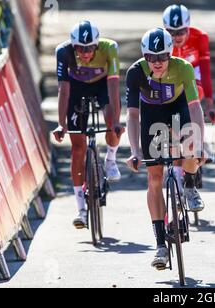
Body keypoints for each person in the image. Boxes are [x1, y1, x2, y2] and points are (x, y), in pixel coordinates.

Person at [125, 28, 206, 269]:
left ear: (170, 54)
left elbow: (194, 107)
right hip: (151, 114)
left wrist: (199, 143)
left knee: (191, 141)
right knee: (154, 178)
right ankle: (160, 245)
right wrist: (134, 150)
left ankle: (190, 186)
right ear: (144, 56)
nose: (157, 62)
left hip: (178, 108)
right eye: (151, 57)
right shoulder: (135, 73)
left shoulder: (183, 68)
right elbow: (132, 115)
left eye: (162, 57)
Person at [53, 21, 124, 229]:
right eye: (81, 49)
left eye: (90, 48)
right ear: (73, 46)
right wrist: (60, 124)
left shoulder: (110, 48)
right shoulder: (63, 52)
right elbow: (63, 89)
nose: (85, 53)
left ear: (97, 44)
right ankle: (81, 209)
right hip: (76, 88)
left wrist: (116, 122)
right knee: (77, 148)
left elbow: (113, 85)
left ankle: (111, 159)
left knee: (111, 119)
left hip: (102, 86)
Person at [163, 4, 215, 187]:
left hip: (193, 76)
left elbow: (206, 72)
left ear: (188, 28)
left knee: (192, 98)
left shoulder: (200, 37)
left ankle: (199, 141)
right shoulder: (161, 40)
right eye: (171, 32)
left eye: (181, 31)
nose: (176, 37)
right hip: (170, 78)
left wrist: (210, 105)